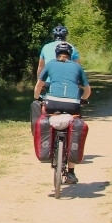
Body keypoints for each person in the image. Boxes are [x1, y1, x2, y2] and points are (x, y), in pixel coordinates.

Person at [34, 42, 91, 184]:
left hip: (52, 102)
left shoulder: (51, 64)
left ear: (56, 54)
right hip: (72, 105)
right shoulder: (77, 67)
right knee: (74, 126)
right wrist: (82, 100)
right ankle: (71, 172)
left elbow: (39, 85)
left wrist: (37, 97)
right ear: (70, 55)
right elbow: (87, 90)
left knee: (47, 117)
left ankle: (50, 147)